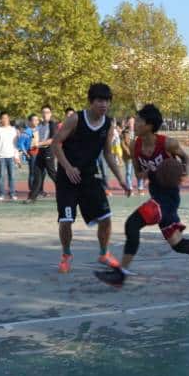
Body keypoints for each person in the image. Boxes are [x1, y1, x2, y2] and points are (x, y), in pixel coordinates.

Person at [95, 103, 189, 287]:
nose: (134, 124)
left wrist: (183, 173)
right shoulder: (135, 145)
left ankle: (121, 273)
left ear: (149, 125)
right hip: (157, 197)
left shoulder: (167, 143)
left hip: (168, 198)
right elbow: (138, 174)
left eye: (138, 121)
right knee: (178, 244)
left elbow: (185, 158)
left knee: (132, 224)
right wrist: (149, 172)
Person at [51, 82, 129, 273]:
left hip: (89, 177)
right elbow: (56, 144)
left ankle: (103, 253)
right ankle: (66, 255)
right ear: (91, 102)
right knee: (66, 220)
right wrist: (68, 167)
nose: (104, 105)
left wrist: (121, 179)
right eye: (100, 101)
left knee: (106, 218)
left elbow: (108, 154)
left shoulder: (109, 124)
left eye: (107, 101)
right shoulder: (75, 119)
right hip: (68, 178)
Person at [27, 105, 58, 201]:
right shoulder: (39, 126)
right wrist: (33, 143)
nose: (45, 115)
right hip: (40, 151)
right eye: (43, 112)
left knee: (52, 173)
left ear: (51, 114)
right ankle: (32, 197)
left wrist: (38, 143)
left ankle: (66, 190)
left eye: (47, 112)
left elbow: (52, 140)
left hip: (49, 151)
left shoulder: (52, 124)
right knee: (37, 173)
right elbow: (35, 138)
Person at [0, 112, 20, 201]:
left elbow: (16, 144)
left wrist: (16, 156)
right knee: (1, 176)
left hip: (11, 156)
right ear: (0, 119)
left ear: (9, 119)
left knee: (12, 176)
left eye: (6, 118)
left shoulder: (13, 130)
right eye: (3, 118)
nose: (5, 120)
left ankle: (12, 193)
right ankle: (1, 194)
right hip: (1, 157)